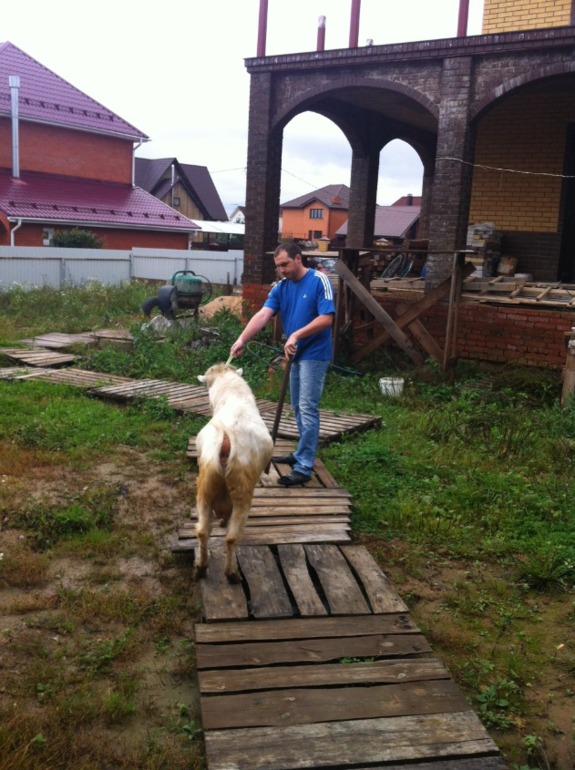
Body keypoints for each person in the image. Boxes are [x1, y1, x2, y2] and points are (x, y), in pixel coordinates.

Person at [229, 240, 335, 486]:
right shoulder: (281, 288)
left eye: (285, 264)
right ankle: (301, 453)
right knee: (298, 407)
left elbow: (327, 318)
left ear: (299, 259)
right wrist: (242, 338)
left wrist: (296, 334)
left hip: (314, 353)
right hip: (294, 353)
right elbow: (264, 314)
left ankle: (305, 465)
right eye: (279, 266)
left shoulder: (320, 281)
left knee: (308, 408)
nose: (282, 270)